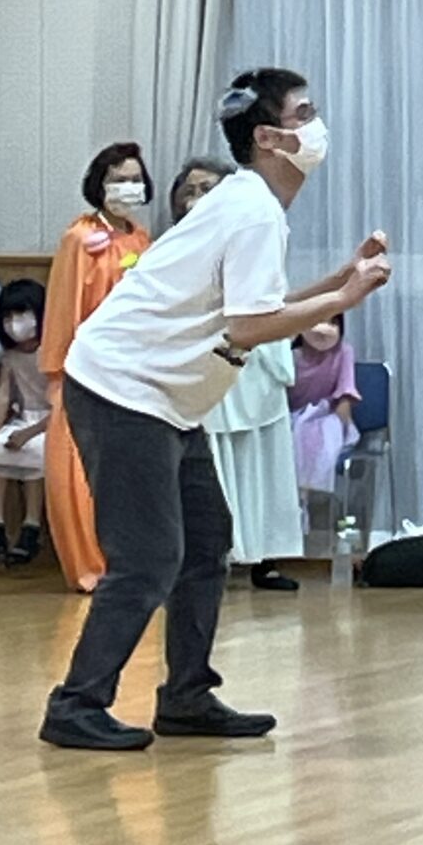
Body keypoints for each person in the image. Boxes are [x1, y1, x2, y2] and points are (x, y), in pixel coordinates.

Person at [39, 68, 391, 751]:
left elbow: (257, 305)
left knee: (205, 542)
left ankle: (187, 696)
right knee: (148, 558)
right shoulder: (252, 210)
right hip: (123, 392)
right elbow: (251, 327)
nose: (316, 125)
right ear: (268, 138)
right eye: (303, 114)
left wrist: (338, 281)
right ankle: (75, 704)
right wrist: (344, 299)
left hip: (164, 399)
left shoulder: (248, 203)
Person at [171, 158, 304, 594]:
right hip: (210, 366)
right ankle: (218, 557)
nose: (197, 199)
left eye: (207, 189)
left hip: (257, 363)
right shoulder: (175, 249)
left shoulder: (256, 233)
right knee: (215, 466)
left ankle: (266, 556)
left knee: (260, 463)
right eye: (189, 192)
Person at [39, 145, 155, 591]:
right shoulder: (80, 238)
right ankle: (91, 565)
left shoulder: (142, 239)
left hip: (135, 370)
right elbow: (64, 306)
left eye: (135, 178)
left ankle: (133, 562)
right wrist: (62, 371)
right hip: (86, 370)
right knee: (78, 469)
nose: (129, 187)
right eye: (118, 179)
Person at [0, 278, 50, 567]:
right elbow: (3, 395)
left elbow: (62, 404)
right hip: (23, 417)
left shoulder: (52, 353)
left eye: (21, 314)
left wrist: (29, 433)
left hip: (49, 423)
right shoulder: (11, 356)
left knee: (35, 451)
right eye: (7, 316)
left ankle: (31, 525)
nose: (13, 323)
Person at [289, 316, 361, 502]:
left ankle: (314, 501)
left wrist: (339, 428)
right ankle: (297, 503)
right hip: (293, 419)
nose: (324, 329)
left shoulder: (344, 352)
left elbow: (346, 393)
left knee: (322, 437)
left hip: (330, 417)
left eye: (332, 323)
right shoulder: (291, 356)